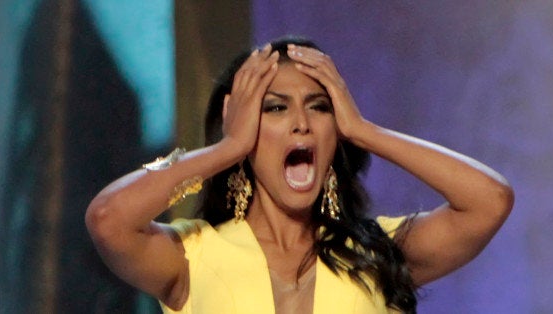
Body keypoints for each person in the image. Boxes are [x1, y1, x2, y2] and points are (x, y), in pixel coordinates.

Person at [85, 37, 513, 314]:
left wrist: (363, 131)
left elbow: (490, 201)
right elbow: (108, 219)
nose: (301, 122)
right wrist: (226, 149)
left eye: (319, 106)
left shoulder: (379, 253)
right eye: (275, 107)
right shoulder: (192, 256)